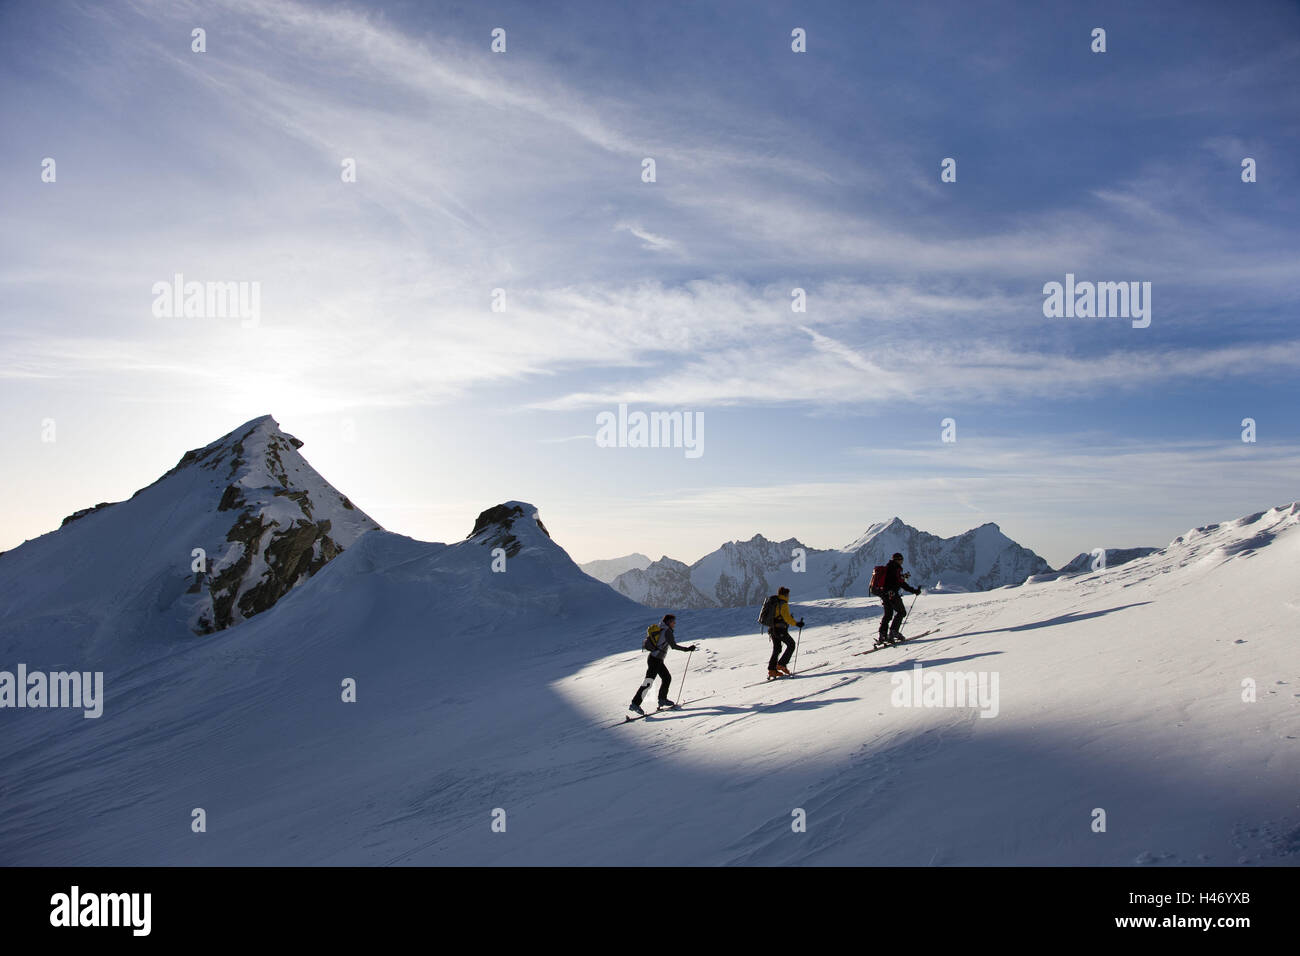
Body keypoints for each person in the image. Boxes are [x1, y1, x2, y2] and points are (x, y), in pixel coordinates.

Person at [630, 614, 697, 715]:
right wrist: (687, 649)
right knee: (649, 681)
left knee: (666, 678)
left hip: (655, 659)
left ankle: (662, 699)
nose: (674, 624)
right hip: (656, 660)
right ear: (669, 622)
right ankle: (635, 704)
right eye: (673, 622)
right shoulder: (667, 631)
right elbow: (673, 646)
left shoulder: (661, 627)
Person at [875, 552, 921, 646]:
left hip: (884, 594)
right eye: (901, 560)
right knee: (901, 612)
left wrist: (902, 577)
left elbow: (894, 580)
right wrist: (914, 591)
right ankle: (893, 632)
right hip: (892, 594)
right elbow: (901, 583)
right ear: (898, 560)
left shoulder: (889, 567)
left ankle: (883, 635)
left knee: (888, 615)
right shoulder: (896, 568)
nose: (902, 561)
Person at [766, 586, 805, 678]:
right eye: (788, 595)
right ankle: (781, 664)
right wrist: (797, 624)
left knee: (777, 648)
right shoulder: (783, 604)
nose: (788, 596)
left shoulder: (775, 603)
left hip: (772, 629)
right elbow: (786, 618)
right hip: (780, 629)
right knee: (791, 644)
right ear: (785, 595)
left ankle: (772, 670)